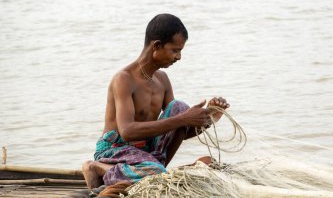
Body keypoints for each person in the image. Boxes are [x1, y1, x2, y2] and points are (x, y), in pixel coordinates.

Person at [82, 14, 230, 193]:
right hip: (115, 149)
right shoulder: (124, 79)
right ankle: (97, 167)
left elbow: (179, 129)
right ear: (157, 46)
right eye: (175, 50)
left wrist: (210, 117)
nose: (179, 57)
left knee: (178, 107)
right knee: (180, 116)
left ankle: (156, 170)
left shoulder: (163, 79)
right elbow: (127, 131)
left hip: (147, 153)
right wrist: (184, 118)